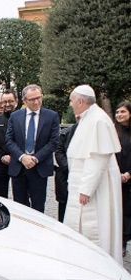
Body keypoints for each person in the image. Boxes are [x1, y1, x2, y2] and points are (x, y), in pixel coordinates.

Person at [64, 85, 122, 263]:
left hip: (97, 188)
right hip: (86, 185)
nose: (71, 104)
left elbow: (97, 158)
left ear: (80, 101)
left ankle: (99, 264)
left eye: (72, 101)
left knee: (97, 226)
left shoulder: (98, 120)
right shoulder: (88, 118)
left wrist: (86, 189)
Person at [5, 84, 60, 212]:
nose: (36, 102)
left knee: (38, 206)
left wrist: (35, 159)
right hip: (19, 168)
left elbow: (53, 142)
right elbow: (9, 140)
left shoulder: (51, 116)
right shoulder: (15, 116)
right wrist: (22, 157)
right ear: (24, 101)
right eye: (32, 99)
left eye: (39, 98)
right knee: (20, 207)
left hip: (39, 168)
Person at [54, 117, 79, 222]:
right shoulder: (65, 133)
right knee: (63, 209)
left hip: (82, 176)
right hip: (65, 176)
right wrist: (69, 168)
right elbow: (58, 151)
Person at [115, 102, 131, 255]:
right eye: (117, 112)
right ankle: (121, 242)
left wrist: (128, 174)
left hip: (129, 177)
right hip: (116, 177)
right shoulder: (114, 132)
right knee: (120, 210)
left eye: (123, 112)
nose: (119, 114)